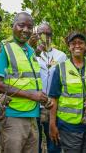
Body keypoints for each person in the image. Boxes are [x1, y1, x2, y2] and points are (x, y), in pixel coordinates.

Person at [0, 12, 51, 153]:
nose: (26, 30)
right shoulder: (3, 48)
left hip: (32, 115)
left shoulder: (30, 50)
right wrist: (32, 95)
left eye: (30, 27)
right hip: (13, 116)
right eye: (21, 25)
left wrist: (42, 98)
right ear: (13, 26)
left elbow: (29, 82)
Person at [49, 32, 86, 153]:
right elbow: (53, 98)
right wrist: (52, 124)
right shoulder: (60, 68)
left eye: (80, 43)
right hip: (69, 126)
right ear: (69, 47)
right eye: (73, 43)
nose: (77, 46)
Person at [35, 22, 67, 153]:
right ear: (36, 35)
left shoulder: (60, 56)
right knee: (34, 144)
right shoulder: (30, 54)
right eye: (41, 34)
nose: (45, 37)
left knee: (54, 143)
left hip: (52, 107)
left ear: (52, 36)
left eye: (48, 34)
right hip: (33, 106)